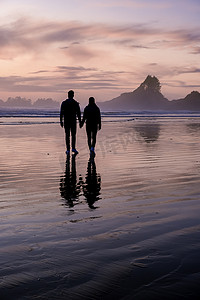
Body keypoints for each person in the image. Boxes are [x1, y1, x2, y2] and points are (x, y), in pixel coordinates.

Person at [60, 90, 81, 155]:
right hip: (73, 121)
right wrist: (80, 121)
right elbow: (78, 113)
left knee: (67, 135)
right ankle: (73, 148)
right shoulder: (75, 103)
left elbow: (61, 113)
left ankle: (68, 149)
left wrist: (61, 121)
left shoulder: (64, 103)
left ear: (68, 95)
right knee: (73, 135)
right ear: (73, 95)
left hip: (66, 121)